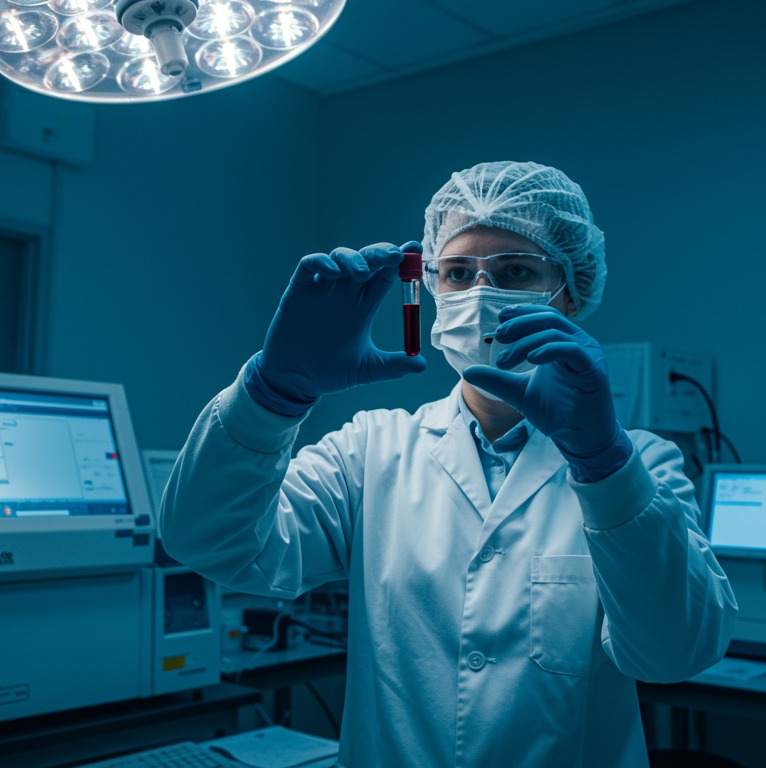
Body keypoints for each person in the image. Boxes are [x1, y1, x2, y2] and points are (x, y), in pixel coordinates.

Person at [160, 161, 736, 767]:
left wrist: (602, 462)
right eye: (458, 273)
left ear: (568, 291)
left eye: (515, 271)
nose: (481, 292)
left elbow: (675, 654)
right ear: (432, 287)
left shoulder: (637, 463)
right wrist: (271, 394)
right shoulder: (371, 450)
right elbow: (211, 542)